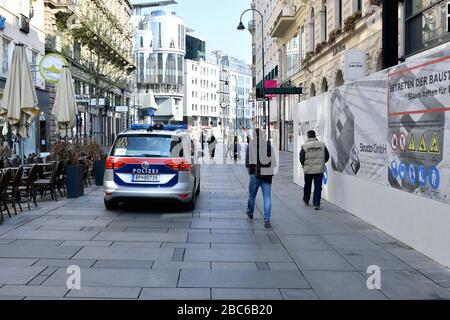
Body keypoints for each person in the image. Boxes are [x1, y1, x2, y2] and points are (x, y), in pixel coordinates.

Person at [245, 129, 277, 228]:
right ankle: (267, 220)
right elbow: (274, 162)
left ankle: (250, 212)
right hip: (266, 174)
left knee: (252, 195)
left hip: (254, 173)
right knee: (267, 197)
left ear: (253, 135)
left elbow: (247, 162)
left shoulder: (250, 145)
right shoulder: (268, 146)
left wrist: (250, 173)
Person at [299, 130, 330, 210]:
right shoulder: (322, 145)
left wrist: (304, 165)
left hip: (308, 169)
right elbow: (327, 156)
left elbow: (301, 158)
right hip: (319, 170)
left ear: (308, 136)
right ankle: (316, 204)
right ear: (315, 136)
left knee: (307, 185)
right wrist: (321, 163)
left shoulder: (304, 146)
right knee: (318, 187)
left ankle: (306, 200)